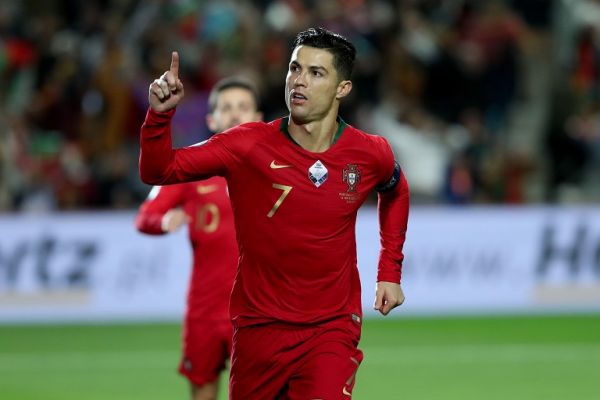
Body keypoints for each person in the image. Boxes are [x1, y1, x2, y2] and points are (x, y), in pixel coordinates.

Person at [139, 27, 410, 399]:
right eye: (294, 68)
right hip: (258, 329)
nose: (299, 81)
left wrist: (390, 271)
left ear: (342, 89)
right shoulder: (246, 144)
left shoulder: (370, 152)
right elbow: (160, 171)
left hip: (331, 328)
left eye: (316, 73)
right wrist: (159, 118)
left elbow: (395, 189)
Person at [135, 77, 262, 400]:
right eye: (226, 108)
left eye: (243, 107)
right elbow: (145, 216)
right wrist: (165, 221)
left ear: (258, 118)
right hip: (204, 311)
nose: (235, 115)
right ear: (212, 119)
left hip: (257, 312)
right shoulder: (191, 164)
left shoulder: (274, 167)